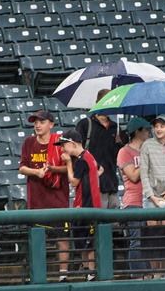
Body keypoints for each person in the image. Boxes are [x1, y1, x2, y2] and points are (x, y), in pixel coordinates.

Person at [18, 110, 70, 281]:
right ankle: (37, 274)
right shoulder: (29, 142)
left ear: (51, 124)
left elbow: (69, 168)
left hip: (57, 199)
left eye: (41, 121)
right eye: (35, 122)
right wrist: (37, 172)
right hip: (37, 200)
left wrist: (52, 169)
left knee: (61, 237)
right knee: (37, 238)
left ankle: (63, 275)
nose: (37, 125)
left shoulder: (60, 142)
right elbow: (22, 167)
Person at [57, 129, 102, 281]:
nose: (62, 149)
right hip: (89, 205)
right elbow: (100, 169)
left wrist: (69, 163)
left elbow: (73, 181)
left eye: (64, 145)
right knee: (84, 242)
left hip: (86, 206)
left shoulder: (82, 160)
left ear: (72, 144)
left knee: (87, 243)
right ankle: (88, 272)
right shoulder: (89, 156)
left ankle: (91, 272)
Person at [139, 114, 165, 279]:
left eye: (162, 126)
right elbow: (143, 173)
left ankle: (163, 272)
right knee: (152, 237)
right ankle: (155, 272)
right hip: (151, 198)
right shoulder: (147, 145)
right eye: (156, 126)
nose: (158, 129)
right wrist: (151, 196)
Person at [75, 89, 125, 209]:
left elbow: (120, 156)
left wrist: (121, 142)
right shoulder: (85, 124)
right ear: (97, 102)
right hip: (91, 184)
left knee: (115, 225)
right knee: (97, 224)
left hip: (112, 183)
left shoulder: (117, 128)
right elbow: (76, 151)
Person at [116, 117, 151, 277]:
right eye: (146, 130)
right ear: (138, 132)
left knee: (148, 242)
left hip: (150, 202)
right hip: (133, 203)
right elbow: (134, 176)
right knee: (136, 241)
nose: (150, 133)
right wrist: (145, 158)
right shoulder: (125, 152)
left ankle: (149, 275)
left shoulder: (149, 150)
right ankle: (137, 276)